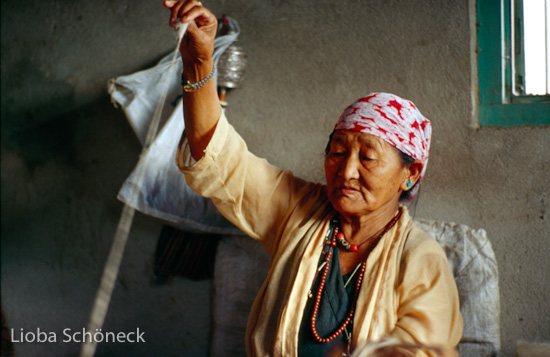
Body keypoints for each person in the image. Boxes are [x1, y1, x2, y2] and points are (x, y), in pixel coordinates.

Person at [164, 1, 463, 356]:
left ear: (409, 175)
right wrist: (199, 62)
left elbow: (422, 350)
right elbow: (218, 158)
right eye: (337, 152)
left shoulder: (422, 261)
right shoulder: (298, 210)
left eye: (367, 157)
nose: (347, 170)